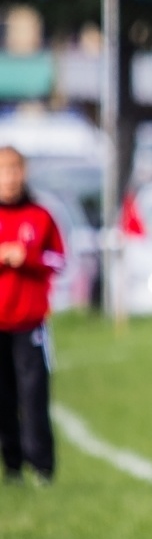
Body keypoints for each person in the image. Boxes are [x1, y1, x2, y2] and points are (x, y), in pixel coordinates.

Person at [0, 146, 65, 486]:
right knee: (3, 399)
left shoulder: (41, 216)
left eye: (15, 170)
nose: (9, 178)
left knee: (34, 395)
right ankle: (11, 467)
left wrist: (28, 257)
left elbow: (59, 260)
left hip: (30, 324)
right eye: (4, 171)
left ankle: (41, 467)